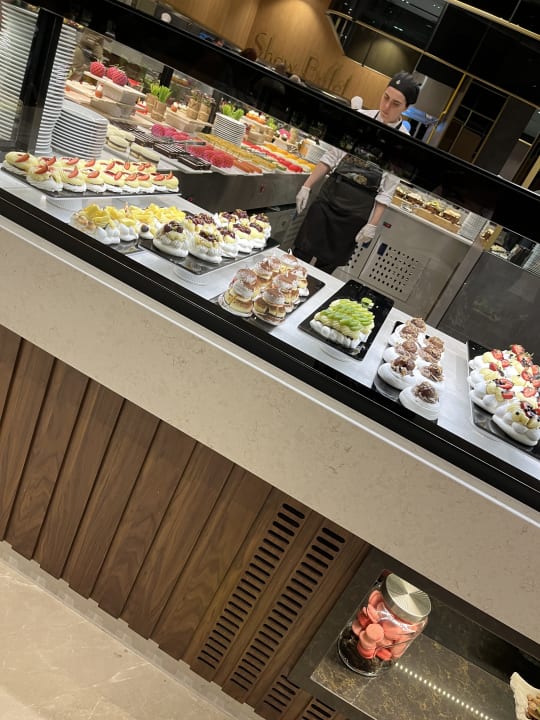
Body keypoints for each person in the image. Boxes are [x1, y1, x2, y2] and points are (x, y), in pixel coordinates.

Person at [292, 71, 420, 274]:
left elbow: (386, 192)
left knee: (325, 270)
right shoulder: (360, 118)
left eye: (395, 104)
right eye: (386, 97)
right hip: (329, 198)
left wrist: (372, 224)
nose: (386, 106)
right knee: (299, 256)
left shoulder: (403, 143)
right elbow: (331, 157)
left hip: (355, 213)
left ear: (407, 108)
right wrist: (307, 186)